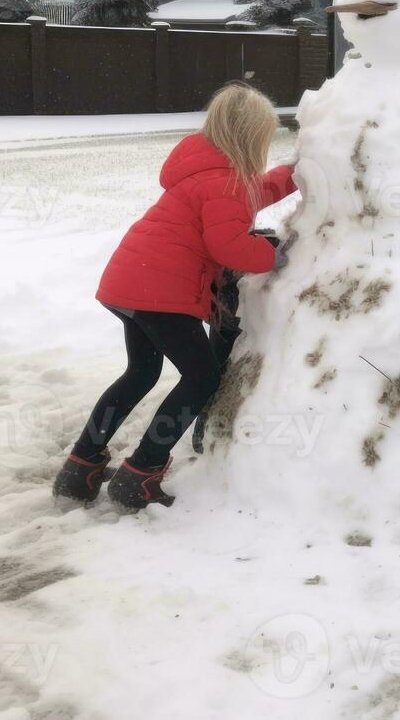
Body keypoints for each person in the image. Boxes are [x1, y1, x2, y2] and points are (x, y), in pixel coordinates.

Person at [52, 83, 296, 510]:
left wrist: (296, 173)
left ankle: (81, 466)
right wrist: (275, 254)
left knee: (141, 373)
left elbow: (256, 190)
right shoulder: (226, 184)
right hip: (160, 293)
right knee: (200, 378)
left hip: (129, 283)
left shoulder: (207, 172)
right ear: (251, 137)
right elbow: (231, 247)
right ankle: (141, 473)